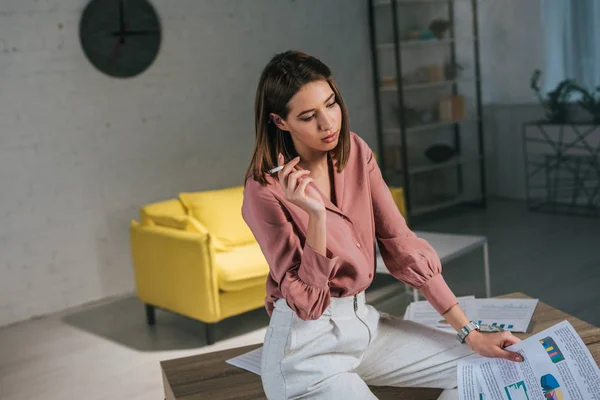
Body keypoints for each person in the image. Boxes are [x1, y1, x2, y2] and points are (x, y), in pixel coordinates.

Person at [242, 50, 523, 400]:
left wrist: (469, 331)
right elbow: (308, 305)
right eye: (309, 116)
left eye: (331, 104)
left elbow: (401, 243)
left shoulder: (356, 152)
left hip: (366, 328)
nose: (328, 124)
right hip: (307, 349)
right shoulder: (263, 191)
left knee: (484, 366)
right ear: (280, 122)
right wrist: (316, 217)